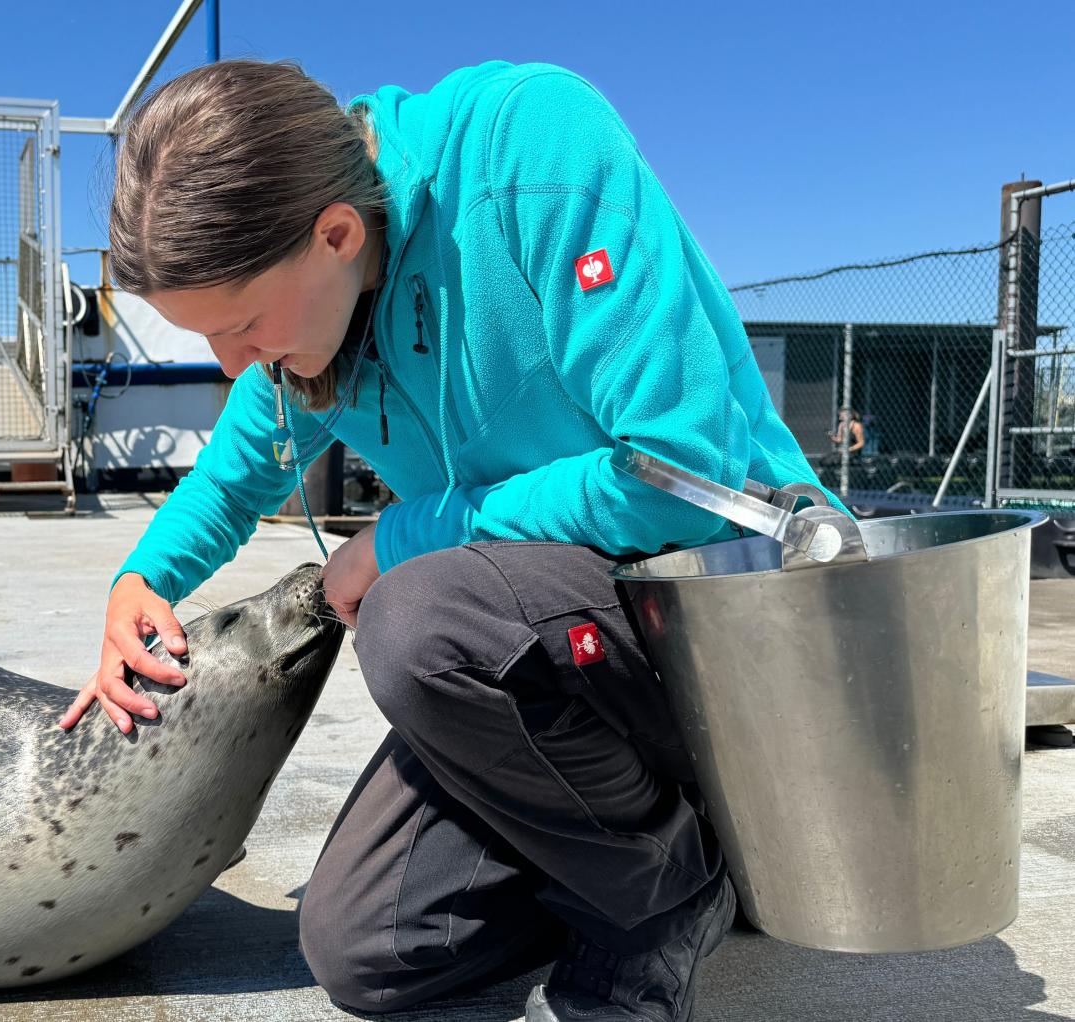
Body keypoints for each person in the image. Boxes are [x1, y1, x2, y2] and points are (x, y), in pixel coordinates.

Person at [56, 60, 839, 1022]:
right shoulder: (322, 296)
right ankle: (681, 841)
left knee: (415, 617)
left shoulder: (532, 149)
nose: (235, 364)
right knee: (370, 950)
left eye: (245, 325)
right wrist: (142, 579)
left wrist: (400, 538)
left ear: (336, 232)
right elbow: (234, 472)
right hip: (550, 639)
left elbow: (681, 475)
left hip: (716, 604)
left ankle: (667, 893)